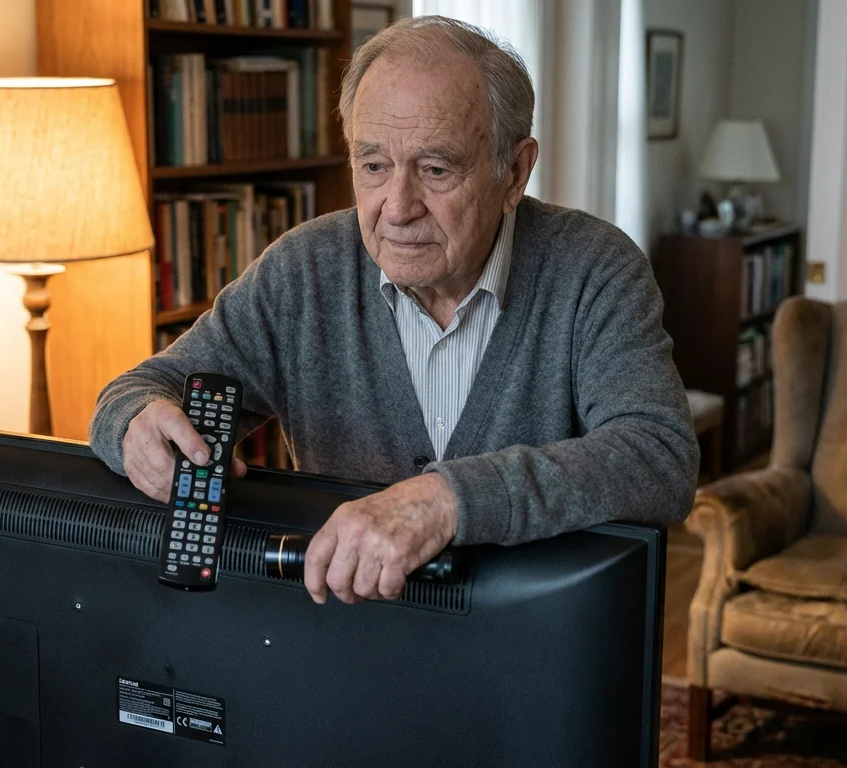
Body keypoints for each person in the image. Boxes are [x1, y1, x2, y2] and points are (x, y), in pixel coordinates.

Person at [88, 15, 699, 607]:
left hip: (529, 655)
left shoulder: (594, 267)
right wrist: (135, 422)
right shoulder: (304, 270)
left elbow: (658, 457)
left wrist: (443, 501)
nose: (397, 206)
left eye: (435, 169)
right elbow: (144, 388)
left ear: (514, 172)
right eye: (373, 166)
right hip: (348, 641)